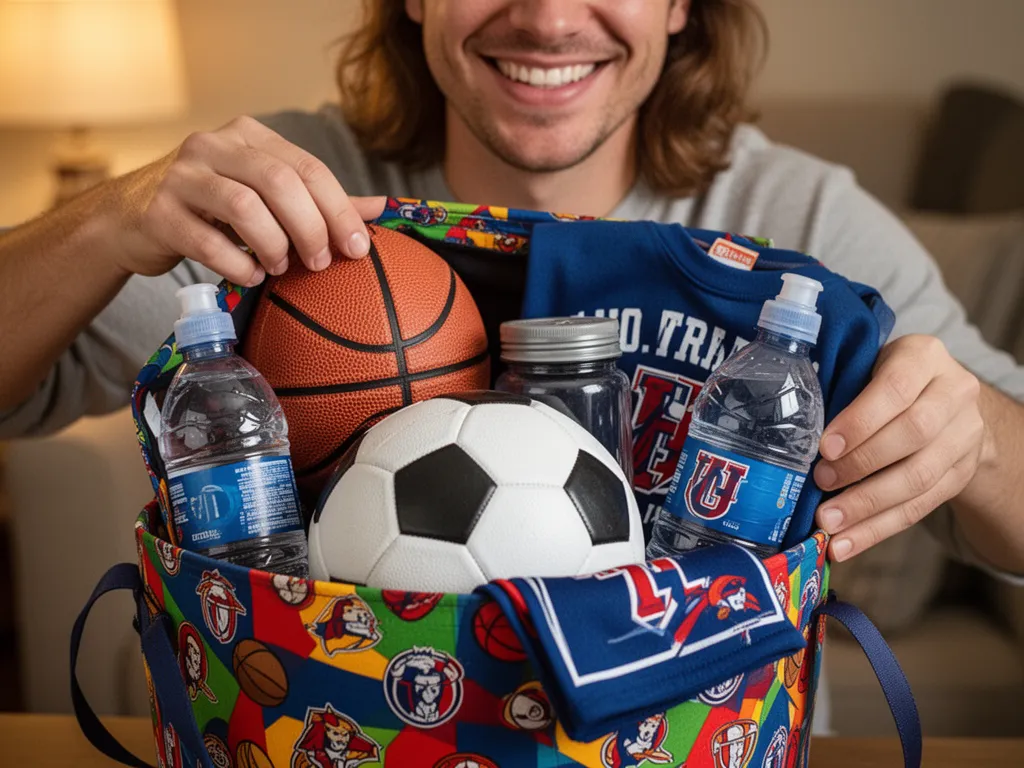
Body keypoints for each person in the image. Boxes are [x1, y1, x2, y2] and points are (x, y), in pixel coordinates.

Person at [1, 4, 1022, 588]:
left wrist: (968, 433)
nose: (544, 15)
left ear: (679, 5)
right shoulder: (281, 191)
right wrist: (104, 219)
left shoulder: (794, 220)